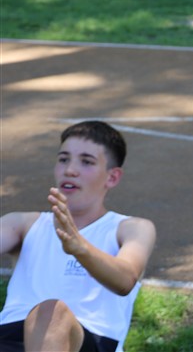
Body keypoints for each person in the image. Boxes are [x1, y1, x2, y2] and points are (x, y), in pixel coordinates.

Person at [0, 120, 157, 352]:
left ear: (112, 177)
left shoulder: (131, 228)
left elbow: (125, 281)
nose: (69, 170)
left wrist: (80, 247)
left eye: (86, 162)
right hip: (8, 336)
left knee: (52, 313)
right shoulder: (22, 224)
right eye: (63, 159)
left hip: (90, 341)